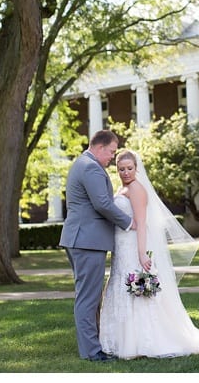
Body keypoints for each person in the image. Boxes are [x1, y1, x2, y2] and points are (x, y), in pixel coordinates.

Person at [98, 150, 199, 358]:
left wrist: (142, 254)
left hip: (134, 248)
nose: (125, 172)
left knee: (137, 293)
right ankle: (120, 340)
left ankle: (141, 342)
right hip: (121, 248)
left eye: (129, 168)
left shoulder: (136, 189)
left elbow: (142, 225)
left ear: (137, 168)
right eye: (121, 169)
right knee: (121, 289)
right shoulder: (123, 188)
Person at [59, 130, 135, 362]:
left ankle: (94, 345)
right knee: (88, 298)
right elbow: (102, 203)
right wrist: (128, 222)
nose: (112, 157)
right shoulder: (90, 166)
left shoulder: (82, 164)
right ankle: (92, 352)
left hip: (82, 239)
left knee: (89, 296)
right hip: (86, 241)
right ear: (100, 147)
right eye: (111, 152)